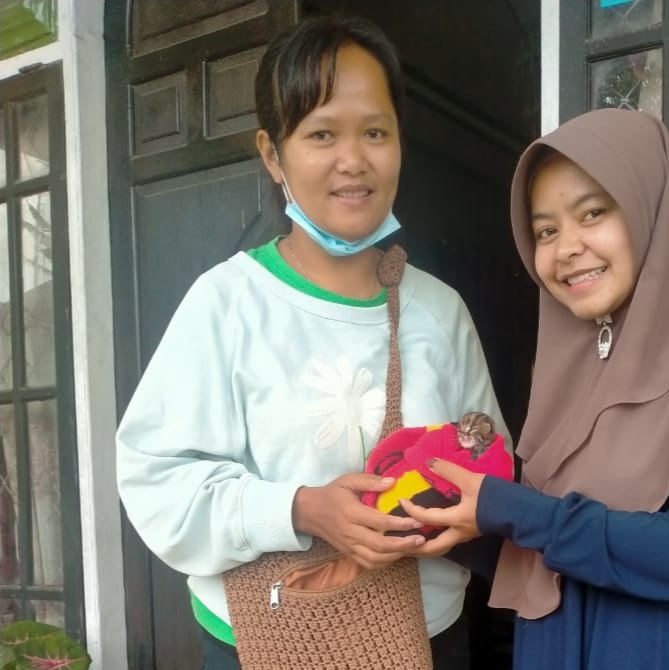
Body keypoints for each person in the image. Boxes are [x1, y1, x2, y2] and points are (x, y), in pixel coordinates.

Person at [115, 15, 508, 670]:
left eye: (375, 132)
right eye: (322, 133)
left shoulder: (439, 311)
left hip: (427, 642)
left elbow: (490, 455)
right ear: (273, 154)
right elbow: (157, 479)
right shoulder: (227, 303)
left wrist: (463, 511)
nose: (353, 160)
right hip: (267, 643)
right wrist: (300, 509)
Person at [401, 108, 669, 669]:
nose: (566, 247)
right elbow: (558, 554)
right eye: (546, 230)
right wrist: (452, 518)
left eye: (592, 213)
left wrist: (513, 510)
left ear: (650, 210)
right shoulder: (573, 366)